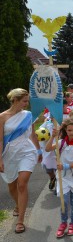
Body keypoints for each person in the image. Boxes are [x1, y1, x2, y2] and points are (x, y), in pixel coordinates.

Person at [0, 88, 41, 234]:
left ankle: (20, 221)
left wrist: (38, 150)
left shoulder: (28, 115)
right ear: (15, 100)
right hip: (9, 154)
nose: (26, 104)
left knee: (22, 184)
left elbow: (33, 134)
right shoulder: (2, 117)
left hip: (27, 151)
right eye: (24, 101)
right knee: (11, 186)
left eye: (27, 101)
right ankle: (18, 205)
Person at [46, 118, 73, 238]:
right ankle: (63, 223)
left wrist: (65, 166)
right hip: (63, 177)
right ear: (65, 130)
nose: (71, 132)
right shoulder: (61, 142)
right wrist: (52, 136)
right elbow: (47, 149)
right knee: (64, 201)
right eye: (69, 130)